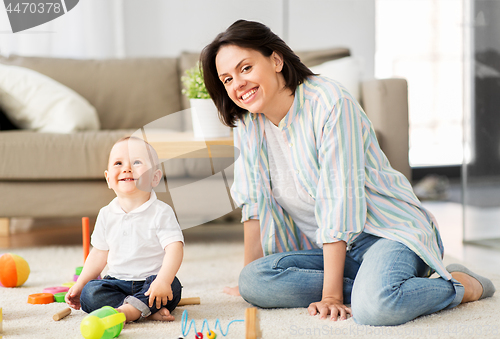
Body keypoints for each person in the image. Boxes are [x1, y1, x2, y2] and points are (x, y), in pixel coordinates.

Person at [200, 19, 495, 326]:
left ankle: (462, 286)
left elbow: (338, 200)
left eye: (245, 68)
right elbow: (254, 203)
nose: (237, 84)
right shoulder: (249, 122)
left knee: (375, 310)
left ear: (276, 59)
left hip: (387, 234)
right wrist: (249, 282)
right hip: (332, 250)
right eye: (227, 79)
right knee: (254, 281)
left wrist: (331, 295)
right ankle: (375, 285)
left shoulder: (329, 102)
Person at [65, 136, 184, 322]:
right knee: (90, 293)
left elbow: (175, 249)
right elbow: (98, 254)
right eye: (118, 163)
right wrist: (80, 284)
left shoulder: (161, 212)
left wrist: (162, 280)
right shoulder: (106, 214)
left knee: (173, 286)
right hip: (116, 282)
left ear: (154, 178)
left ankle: (129, 311)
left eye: (137, 162)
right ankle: (141, 309)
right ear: (108, 179)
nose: (126, 168)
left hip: (151, 283)